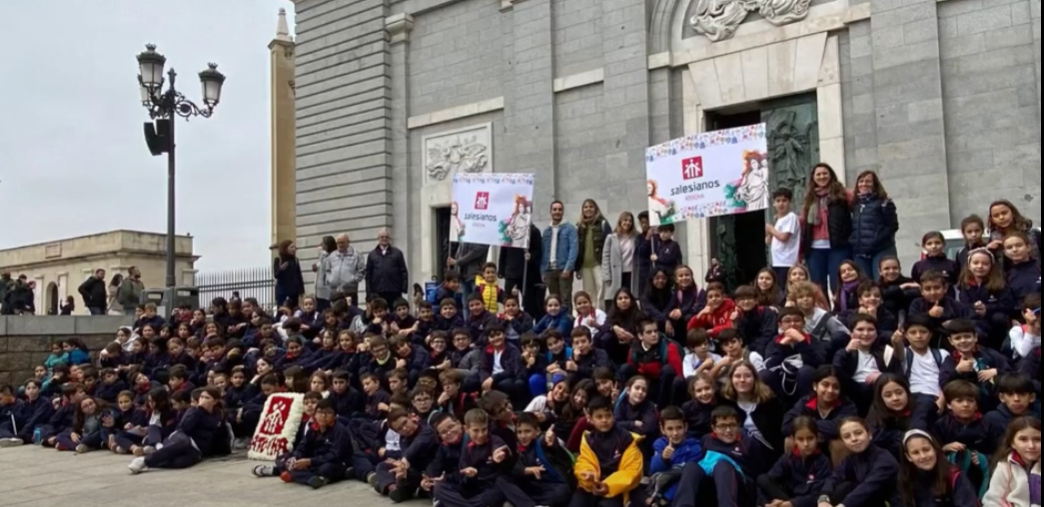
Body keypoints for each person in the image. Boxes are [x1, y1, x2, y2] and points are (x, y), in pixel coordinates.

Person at [251, 399, 349, 488]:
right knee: (284, 458)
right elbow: (303, 446)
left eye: (328, 413)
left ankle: (291, 474)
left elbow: (334, 455)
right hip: (312, 460)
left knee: (326, 469)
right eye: (320, 412)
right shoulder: (313, 428)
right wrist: (296, 457)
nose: (323, 416)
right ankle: (307, 477)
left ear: (335, 416)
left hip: (330, 462)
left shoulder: (339, 430)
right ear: (315, 414)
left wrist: (310, 461)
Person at [128, 387, 229, 473]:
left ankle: (153, 463)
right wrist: (200, 410)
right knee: (184, 443)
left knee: (181, 462)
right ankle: (144, 461)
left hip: (197, 448)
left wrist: (223, 450)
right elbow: (185, 428)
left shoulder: (218, 415)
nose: (202, 400)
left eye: (207, 398)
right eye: (201, 397)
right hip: (182, 437)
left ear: (215, 401)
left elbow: (220, 434)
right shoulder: (193, 410)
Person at [673, 406, 758, 507]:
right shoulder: (707, 440)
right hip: (712, 488)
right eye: (722, 426)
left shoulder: (748, 442)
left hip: (739, 490)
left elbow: (758, 473)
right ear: (713, 428)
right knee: (691, 466)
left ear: (738, 425)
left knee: (722, 465)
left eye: (732, 425)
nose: (728, 430)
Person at [572, 395, 643, 507]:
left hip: (615, 488)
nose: (604, 420)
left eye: (608, 415)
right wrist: (588, 474)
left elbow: (633, 471)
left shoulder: (626, 439)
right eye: (599, 417)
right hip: (592, 485)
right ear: (590, 419)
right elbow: (583, 462)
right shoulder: (588, 439)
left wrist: (608, 486)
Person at [495, 412, 574, 507]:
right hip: (533, 488)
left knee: (563, 491)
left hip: (552, 487)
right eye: (519, 432)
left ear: (537, 431)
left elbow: (551, 445)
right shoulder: (518, 449)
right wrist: (527, 470)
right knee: (501, 479)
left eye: (527, 431)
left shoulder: (541, 442)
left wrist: (551, 440)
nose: (523, 436)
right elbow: (515, 470)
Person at [817, 417, 899, 507]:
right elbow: (835, 476)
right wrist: (823, 497)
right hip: (870, 501)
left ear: (869, 434)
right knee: (844, 488)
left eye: (858, 433)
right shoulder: (852, 458)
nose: (854, 439)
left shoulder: (884, 459)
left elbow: (868, 487)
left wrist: (843, 505)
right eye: (847, 436)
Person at [757, 416, 832, 507]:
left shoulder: (823, 461)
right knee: (762, 479)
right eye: (800, 439)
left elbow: (819, 494)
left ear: (817, 437)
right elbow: (769, 481)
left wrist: (792, 503)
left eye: (810, 438)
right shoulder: (788, 458)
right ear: (793, 439)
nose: (806, 444)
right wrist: (766, 503)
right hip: (787, 499)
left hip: (808, 503)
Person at [800, 163, 853, 294]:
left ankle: (841, 312)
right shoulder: (809, 198)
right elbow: (803, 220)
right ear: (813, 178)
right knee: (818, 287)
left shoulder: (843, 194)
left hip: (838, 246)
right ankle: (823, 313)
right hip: (814, 249)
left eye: (825, 173)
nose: (822, 176)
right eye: (818, 174)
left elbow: (859, 206)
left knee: (838, 284)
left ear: (831, 175)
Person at [897, 430, 978, 507]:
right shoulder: (905, 479)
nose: (923, 456)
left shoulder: (955, 477)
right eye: (915, 452)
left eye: (926, 450)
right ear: (908, 457)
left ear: (935, 449)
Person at [646, 406, 702, 506]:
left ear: (686, 427)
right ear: (662, 429)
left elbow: (687, 479)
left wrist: (666, 497)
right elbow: (653, 470)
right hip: (660, 491)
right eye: (670, 429)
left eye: (679, 428)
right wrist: (663, 458)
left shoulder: (695, 447)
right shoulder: (660, 444)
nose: (675, 433)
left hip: (681, 495)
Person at [849, 171, 898, 280]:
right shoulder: (854, 205)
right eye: (861, 181)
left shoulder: (885, 203)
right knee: (865, 284)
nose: (864, 184)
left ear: (875, 184)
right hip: (860, 252)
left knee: (882, 281)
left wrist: (875, 242)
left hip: (881, 249)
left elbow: (892, 226)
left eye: (868, 181)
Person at [982, 416, 1041, 507]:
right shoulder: (1004, 467)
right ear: (1013, 443)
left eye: (1037, 439)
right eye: (1023, 439)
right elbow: (993, 501)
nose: (1031, 446)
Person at [542, 201, 579, 313]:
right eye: (555, 209)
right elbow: (544, 251)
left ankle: (567, 325)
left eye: (559, 209)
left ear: (562, 211)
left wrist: (568, 268)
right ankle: (556, 326)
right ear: (550, 212)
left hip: (563, 269)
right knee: (554, 300)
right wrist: (542, 270)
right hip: (549, 270)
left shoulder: (570, 229)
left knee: (565, 299)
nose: (557, 212)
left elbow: (574, 249)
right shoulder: (546, 231)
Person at [602, 211, 641, 308]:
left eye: (630, 221)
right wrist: (606, 275)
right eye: (625, 220)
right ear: (620, 221)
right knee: (615, 298)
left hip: (632, 273)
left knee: (629, 299)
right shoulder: (611, 237)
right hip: (615, 274)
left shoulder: (637, 237)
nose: (627, 223)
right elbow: (605, 256)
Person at [366, 229, 410, 305]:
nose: (384, 239)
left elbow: (403, 271)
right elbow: (368, 274)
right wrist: (369, 291)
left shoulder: (397, 253)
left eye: (386, 237)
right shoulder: (372, 255)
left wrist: (403, 288)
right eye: (382, 237)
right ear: (378, 238)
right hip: (377, 290)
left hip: (394, 290)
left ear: (389, 238)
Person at [767, 188, 801, 283]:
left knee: (784, 288)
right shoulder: (777, 219)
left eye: (784, 201)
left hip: (787, 261)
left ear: (790, 202)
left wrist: (771, 229)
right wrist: (769, 233)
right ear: (774, 203)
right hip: (776, 261)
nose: (781, 204)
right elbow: (768, 241)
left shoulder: (791, 217)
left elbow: (783, 237)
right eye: (778, 201)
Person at [273, 240, 305, 310]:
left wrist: (301, 291)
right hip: (283, 292)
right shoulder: (278, 259)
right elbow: (276, 275)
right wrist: (281, 269)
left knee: (294, 310)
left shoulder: (295, 260)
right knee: (283, 310)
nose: (294, 249)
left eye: (294, 247)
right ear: (285, 248)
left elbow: (299, 275)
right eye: (291, 247)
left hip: (294, 292)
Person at [312, 236, 337, 311]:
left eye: (323, 243)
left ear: (327, 245)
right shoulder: (323, 256)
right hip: (319, 290)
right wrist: (316, 268)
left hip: (327, 290)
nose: (321, 245)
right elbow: (321, 267)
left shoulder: (334, 256)